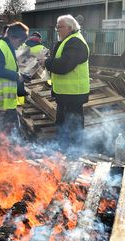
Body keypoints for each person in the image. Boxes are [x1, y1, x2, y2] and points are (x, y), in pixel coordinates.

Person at [41, 14, 90, 153]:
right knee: (64, 126)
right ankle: (64, 154)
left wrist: (46, 62)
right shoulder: (68, 41)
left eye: (60, 27)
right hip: (66, 94)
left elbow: (63, 66)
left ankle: (74, 156)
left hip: (73, 94)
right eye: (57, 27)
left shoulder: (75, 42)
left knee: (73, 128)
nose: (57, 30)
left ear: (70, 27)